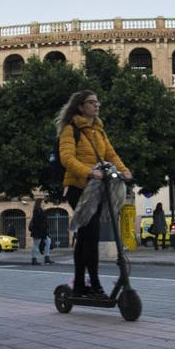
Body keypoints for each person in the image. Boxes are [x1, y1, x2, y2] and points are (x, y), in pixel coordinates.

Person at [58, 90, 131, 298]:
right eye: (91, 102)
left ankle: (81, 285)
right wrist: (89, 172)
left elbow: (110, 154)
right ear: (81, 106)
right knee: (90, 236)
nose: (96, 106)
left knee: (87, 237)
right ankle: (95, 285)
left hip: (98, 188)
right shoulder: (71, 130)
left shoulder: (99, 130)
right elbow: (67, 158)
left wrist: (124, 170)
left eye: (97, 102)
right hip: (78, 188)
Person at [29, 198, 54, 265]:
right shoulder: (36, 211)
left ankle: (47, 258)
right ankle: (34, 259)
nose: (44, 203)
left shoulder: (41, 210)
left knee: (48, 241)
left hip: (43, 231)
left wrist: (46, 227)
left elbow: (44, 221)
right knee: (36, 245)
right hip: (38, 231)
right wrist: (43, 228)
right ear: (39, 203)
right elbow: (37, 222)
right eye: (43, 202)